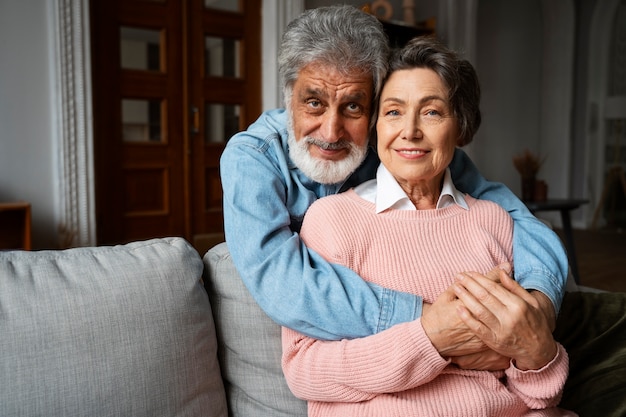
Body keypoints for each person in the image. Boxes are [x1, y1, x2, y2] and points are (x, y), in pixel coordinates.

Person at [220, 5, 567, 365]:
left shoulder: (401, 148)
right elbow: (282, 284)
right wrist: (431, 324)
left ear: (373, 110)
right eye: (313, 103)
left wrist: (538, 301)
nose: (331, 131)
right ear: (288, 98)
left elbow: (517, 219)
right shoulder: (253, 158)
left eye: (353, 106)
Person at [281, 36, 572, 416]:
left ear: (460, 127)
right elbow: (305, 371)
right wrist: (433, 338)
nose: (411, 131)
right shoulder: (332, 219)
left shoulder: (493, 221)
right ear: (374, 127)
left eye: (432, 112)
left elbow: (539, 393)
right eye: (393, 112)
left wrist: (538, 351)